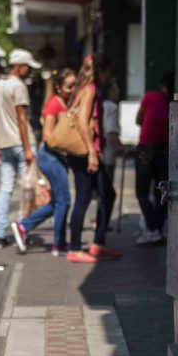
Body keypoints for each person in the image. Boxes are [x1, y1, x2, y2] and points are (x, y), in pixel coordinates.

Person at [11, 68, 76, 256]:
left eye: (74, 86)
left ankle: (23, 226)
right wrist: (67, 146)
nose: (72, 90)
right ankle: (58, 244)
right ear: (58, 87)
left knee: (58, 201)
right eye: (69, 86)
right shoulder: (54, 105)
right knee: (63, 201)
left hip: (57, 157)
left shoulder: (63, 103)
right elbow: (48, 136)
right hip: (50, 157)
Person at [66, 54, 121, 263]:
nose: (110, 77)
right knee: (83, 198)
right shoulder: (89, 89)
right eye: (109, 72)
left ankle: (98, 243)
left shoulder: (88, 88)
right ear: (102, 71)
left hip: (88, 152)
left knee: (108, 194)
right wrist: (91, 152)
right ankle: (74, 248)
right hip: (84, 153)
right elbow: (81, 121)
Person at [0, 48, 41, 249]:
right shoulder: (18, 86)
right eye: (27, 67)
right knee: (26, 190)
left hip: (4, 144)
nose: (28, 71)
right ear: (20, 67)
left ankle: (1, 234)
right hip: (21, 143)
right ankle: (22, 229)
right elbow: (22, 118)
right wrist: (28, 148)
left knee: (5, 188)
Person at [134, 73, 173, 245]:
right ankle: (158, 227)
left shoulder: (150, 97)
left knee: (142, 191)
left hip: (146, 148)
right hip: (164, 148)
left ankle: (152, 229)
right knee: (161, 191)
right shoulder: (174, 102)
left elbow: (138, 120)